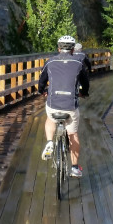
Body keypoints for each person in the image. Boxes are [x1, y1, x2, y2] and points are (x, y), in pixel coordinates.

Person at [39, 35, 89, 177]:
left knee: (50, 119)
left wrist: (41, 91)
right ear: (73, 50)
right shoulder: (79, 63)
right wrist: (84, 93)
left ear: (58, 48)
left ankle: (50, 142)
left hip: (53, 103)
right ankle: (74, 167)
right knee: (72, 134)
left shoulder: (50, 62)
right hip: (70, 106)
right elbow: (85, 83)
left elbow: (42, 81)